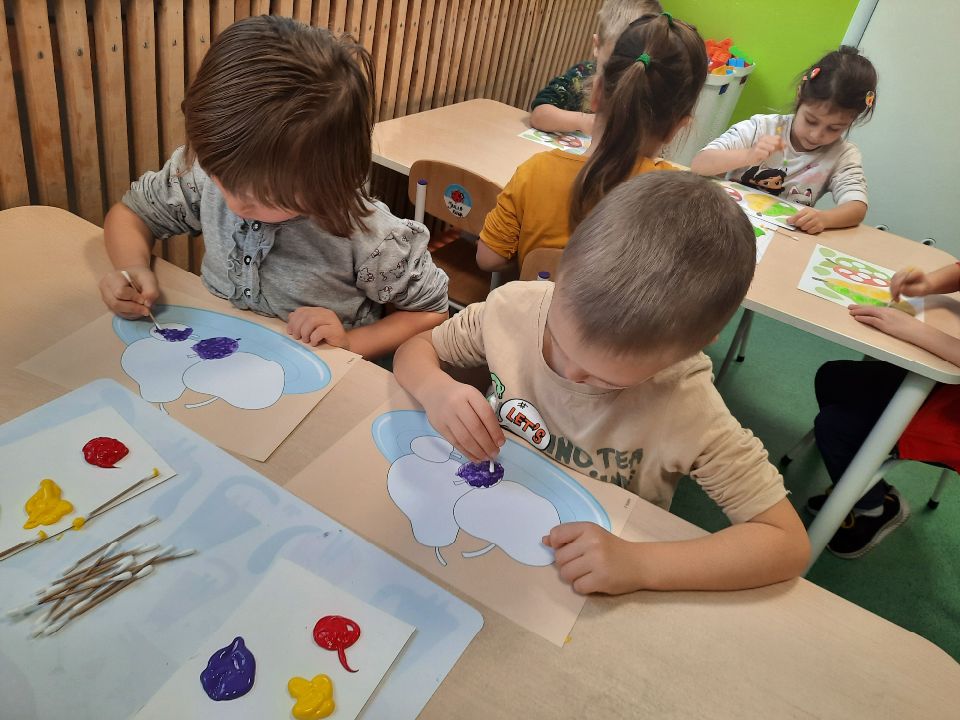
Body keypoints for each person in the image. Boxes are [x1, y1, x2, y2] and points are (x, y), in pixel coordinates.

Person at [395, 172, 810, 594]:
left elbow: (786, 544)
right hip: (485, 519)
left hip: (587, 573)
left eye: (604, 378)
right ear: (563, 271)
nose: (571, 375)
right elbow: (415, 349)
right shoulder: (516, 306)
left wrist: (642, 565)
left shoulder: (687, 404)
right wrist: (435, 389)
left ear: (691, 349)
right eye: (557, 340)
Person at [98, 16, 448, 359]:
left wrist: (349, 343)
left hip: (323, 376)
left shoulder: (368, 235)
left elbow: (430, 311)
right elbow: (132, 214)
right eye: (219, 178)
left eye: (261, 199)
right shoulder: (203, 174)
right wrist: (133, 268)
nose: (233, 204)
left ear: (325, 183)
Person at [477, 12, 705, 272]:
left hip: (539, 298)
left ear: (595, 93)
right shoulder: (678, 198)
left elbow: (487, 259)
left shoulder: (535, 172)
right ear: (678, 127)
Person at [810, 262, 960, 557]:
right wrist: (928, 284)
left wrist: (916, 331)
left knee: (834, 428)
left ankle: (872, 508)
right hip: (947, 387)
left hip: (951, 424)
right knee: (833, 378)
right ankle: (856, 481)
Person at [691, 46, 878, 235]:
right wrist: (748, 155)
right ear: (799, 96)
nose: (816, 135)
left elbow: (857, 207)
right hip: (724, 224)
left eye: (834, 128)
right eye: (811, 120)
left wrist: (824, 219)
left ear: (851, 122)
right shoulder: (761, 128)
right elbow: (700, 164)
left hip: (780, 236)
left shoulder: (843, 155)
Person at [529, 0, 663, 135]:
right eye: (612, 65)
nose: (620, 76)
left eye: (630, 65)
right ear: (597, 47)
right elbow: (539, 114)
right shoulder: (581, 75)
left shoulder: (649, 89)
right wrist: (582, 121)